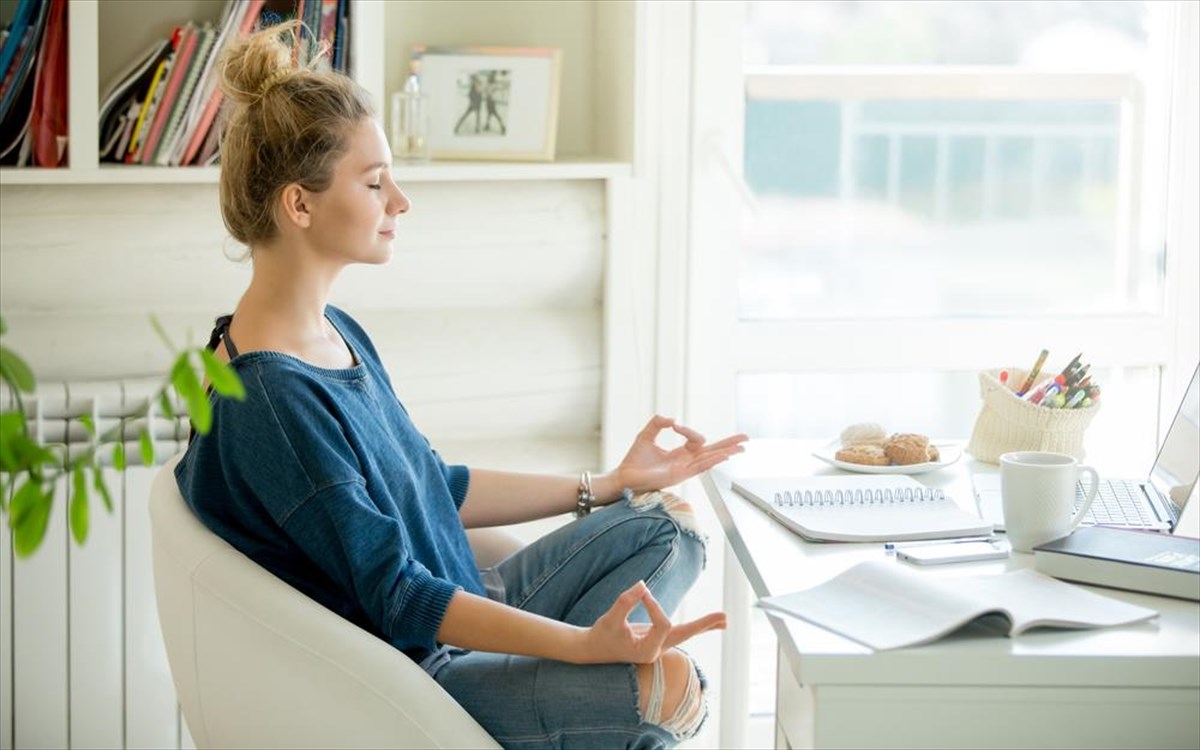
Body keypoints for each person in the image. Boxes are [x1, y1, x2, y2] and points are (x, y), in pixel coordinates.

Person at [176, 22, 748, 750]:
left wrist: (607, 483)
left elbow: (435, 486)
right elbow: (401, 596)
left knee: (670, 527)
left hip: (473, 602)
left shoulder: (333, 332)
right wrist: (580, 649)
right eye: (376, 183)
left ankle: (595, 702)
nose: (401, 202)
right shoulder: (274, 403)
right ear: (299, 205)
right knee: (664, 695)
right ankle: (606, 700)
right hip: (423, 678)